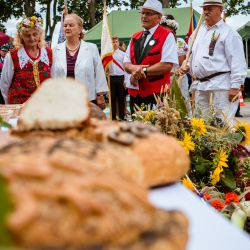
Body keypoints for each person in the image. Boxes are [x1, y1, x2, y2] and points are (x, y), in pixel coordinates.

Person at [180, 0, 247, 121]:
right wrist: (187, 65)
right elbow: (191, 56)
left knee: (222, 125)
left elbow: (238, 62)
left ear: (220, 10)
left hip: (221, 87)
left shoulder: (229, 33)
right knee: (201, 125)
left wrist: (235, 86)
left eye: (210, 9)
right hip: (200, 86)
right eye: (204, 9)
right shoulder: (197, 33)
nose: (206, 11)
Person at [124, 0, 178, 114]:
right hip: (135, 93)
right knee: (137, 129)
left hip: (157, 94)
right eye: (142, 13)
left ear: (158, 17)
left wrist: (141, 71)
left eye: (148, 13)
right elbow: (126, 63)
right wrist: (135, 70)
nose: (144, 16)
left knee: (156, 129)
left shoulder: (167, 35)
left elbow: (167, 64)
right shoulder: (135, 36)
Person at [51, 13, 108, 110]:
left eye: (71, 25)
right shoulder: (55, 50)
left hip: (87, 100)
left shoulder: (91, 48)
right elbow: (52, 76)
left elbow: (99, 73)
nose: (67, 28)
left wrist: (100, 95)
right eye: (65, 26)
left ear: (80, 29)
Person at [0, 16, 52, 104]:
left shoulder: (48, 53)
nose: (32, 38)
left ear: (40, 35)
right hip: (19, 107)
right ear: (21, 37)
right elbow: (4, 84)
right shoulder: (12, 55)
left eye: (35, 34)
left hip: (44, 105)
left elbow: (53, 79)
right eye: (27, 35)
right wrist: (9, 106)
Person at [160, 14, 192, 117]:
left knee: (181, 102)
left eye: (167, 28)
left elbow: (183, 61)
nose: (164, 30)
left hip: (178, 78)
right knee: (163, 104)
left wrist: (178, 71)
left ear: (173, 29)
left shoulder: (179, 42)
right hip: (161, 78)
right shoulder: (158, 41)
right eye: (162, 27)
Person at [109, 36, 126, 120]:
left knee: (121, 98)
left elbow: (126, 68)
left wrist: (125, 79)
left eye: (116, 42)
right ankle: (113, 117)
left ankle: (122, 116)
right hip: (111, 78)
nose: (115, 43)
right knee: (112, 98)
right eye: (113, 42)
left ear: (118, 43)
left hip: (121, 77)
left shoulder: (123, 54)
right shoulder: (108, 54)